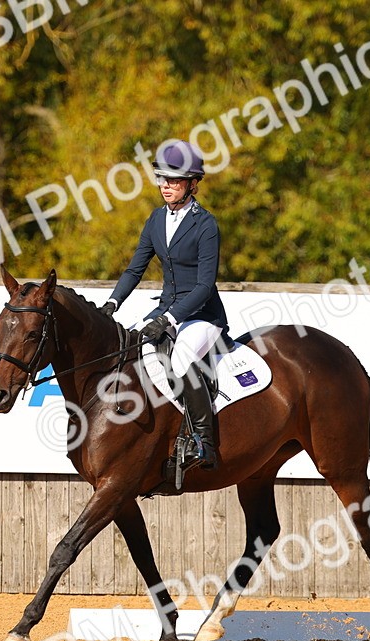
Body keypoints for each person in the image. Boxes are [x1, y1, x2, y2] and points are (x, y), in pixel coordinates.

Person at [99, 139, 225, 470]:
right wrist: (112, 302)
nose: (166, 186)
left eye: (174, 180)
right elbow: (135, 268)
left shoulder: (206, 224)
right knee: (130, 345)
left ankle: (204, 441)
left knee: (182, 356)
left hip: (202, 315)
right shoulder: (156, 219)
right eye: (162, 178)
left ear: (193, 184)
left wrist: (169, 319)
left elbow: (204, 286)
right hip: (167, 307)